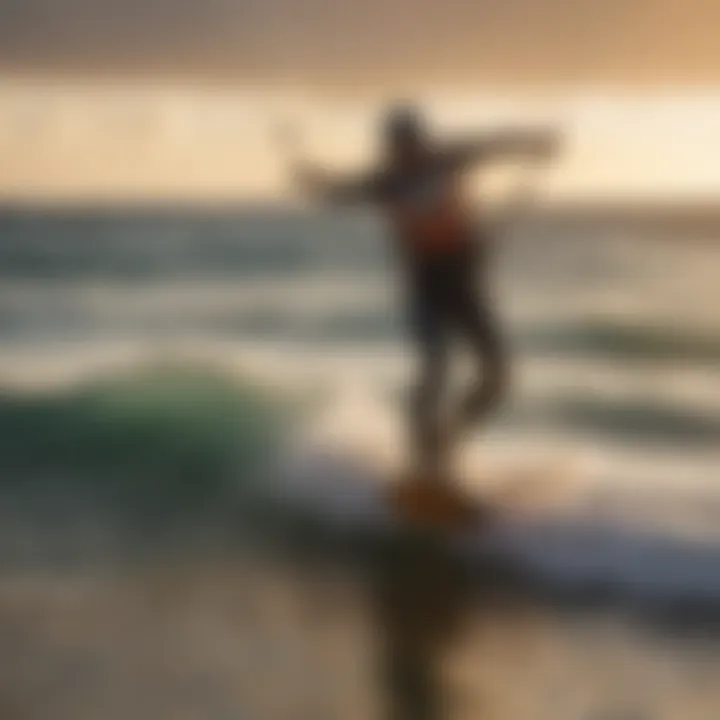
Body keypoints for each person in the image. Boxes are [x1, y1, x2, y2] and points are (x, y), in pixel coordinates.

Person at [291, 104, 560, 517]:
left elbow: (495, 145)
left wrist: (534, 144)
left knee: (498, 374)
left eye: (409, 144)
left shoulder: (447, 159)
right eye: (397, 147)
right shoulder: (386, 182)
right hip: (425, 289)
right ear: (390, 147)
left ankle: (450, 440)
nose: (404, 154)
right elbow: (338, 191)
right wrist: (314, 183)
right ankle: (423, 467)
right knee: (435, 366)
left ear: (421, 141)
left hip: (466, 284)